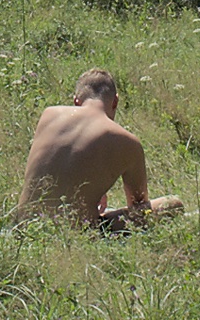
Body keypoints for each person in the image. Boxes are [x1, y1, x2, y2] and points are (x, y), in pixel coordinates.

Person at [17, 67, 183, 229]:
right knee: (172, 205)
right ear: (115, 101)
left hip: (26, 226)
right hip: (76, 232)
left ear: (76, 101)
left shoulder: (49, 114)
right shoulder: (127, 141)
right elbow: (138, 207)